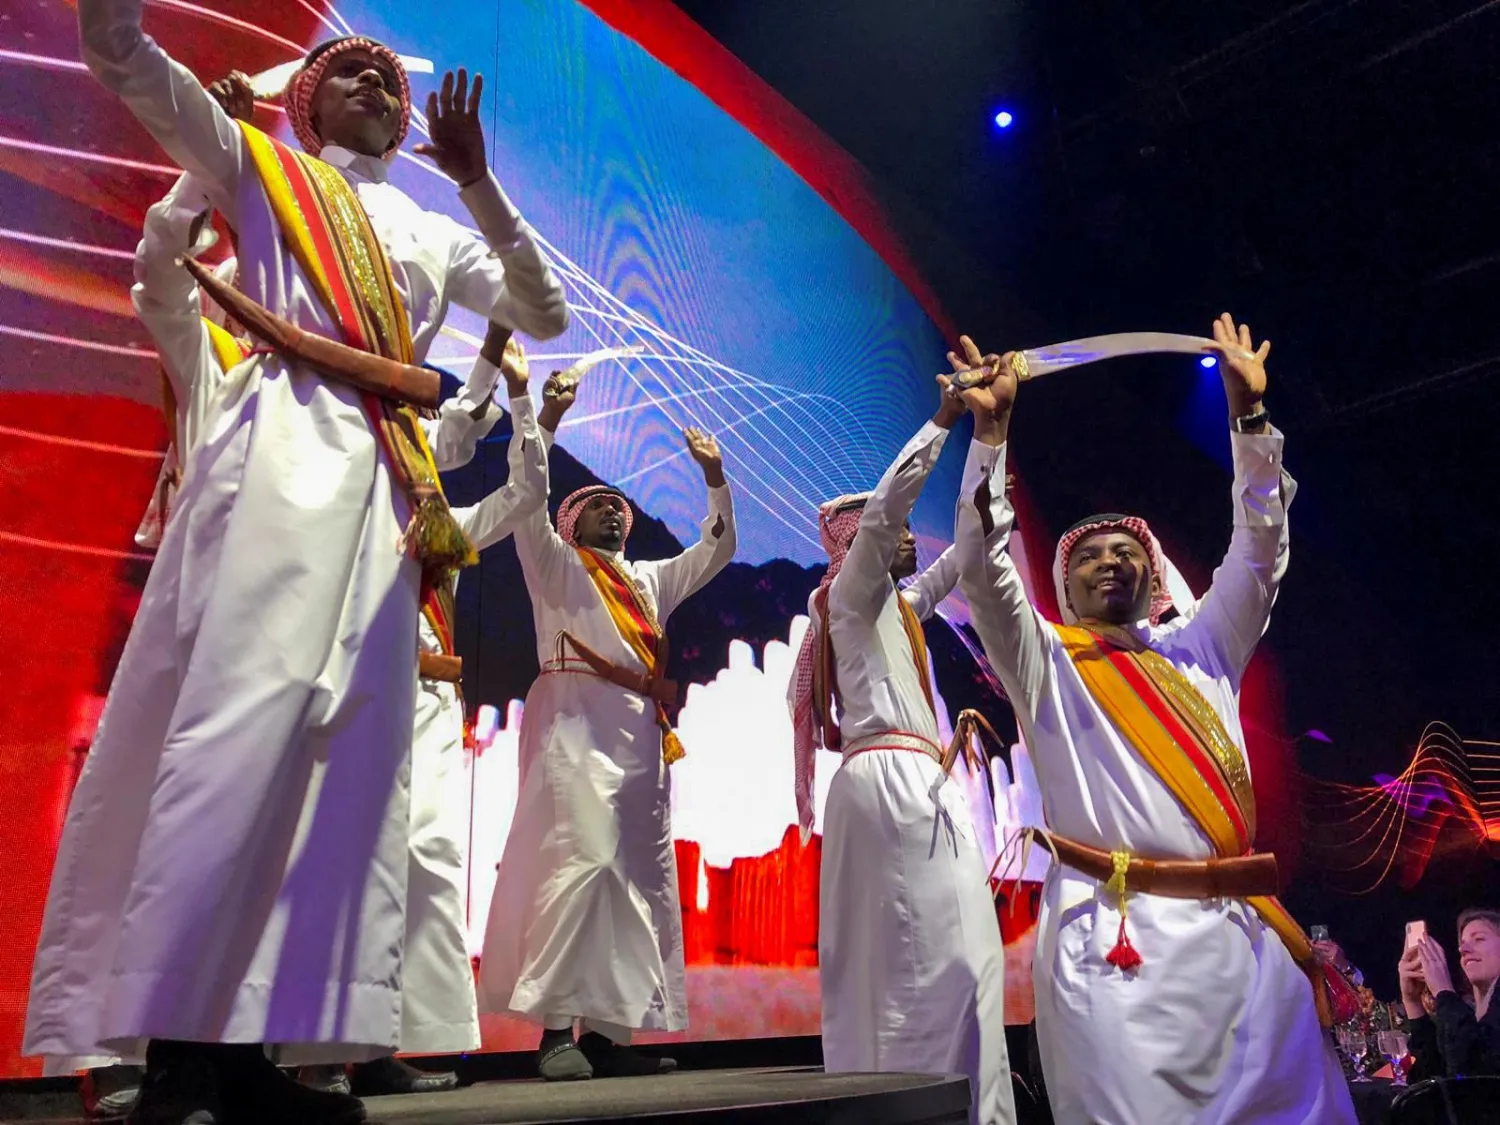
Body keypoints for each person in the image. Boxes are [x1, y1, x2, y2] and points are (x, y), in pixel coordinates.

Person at [27, 5, 568, 1122]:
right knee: (240, 726)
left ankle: (262, 1050)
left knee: (344, 759)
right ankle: (176, 1043)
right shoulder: (264, 169)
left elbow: (542, 311)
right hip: (278, 450)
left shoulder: (436, 229)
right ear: (304, 101)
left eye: (387, 75)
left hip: (380, 480)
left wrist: (477, 184)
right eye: (348, 70)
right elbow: (120, 56)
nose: (372, 77)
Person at [951, 315, 1356, 1124]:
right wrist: (990, 433)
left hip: (1242, 951)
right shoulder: (1046, 662)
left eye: (1123, 549)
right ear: (1065, 587)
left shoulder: (1203, 645)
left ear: (1155, 572)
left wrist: (1248, 422)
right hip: (1114, 944)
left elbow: (1259, 549)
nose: (1110, 559)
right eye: (1089, 553)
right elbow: (984, 571)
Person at [479, 374, 736, 1080]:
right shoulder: (555, 565)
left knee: (632, 877)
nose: (615, 517)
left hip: (637, 739)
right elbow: (526, 503)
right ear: (571, 524)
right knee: (579, 862)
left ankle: (610, 1036)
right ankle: (556, 1030)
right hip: (570, 721)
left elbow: (714, 551)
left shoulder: (650, 580)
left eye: (619, 510)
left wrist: (714, 480)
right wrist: (544, 417)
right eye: (598, 508)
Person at [786, 375, 1015, 1125]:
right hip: (890, 780)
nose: (914, 539)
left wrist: (992, 441)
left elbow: (973, 550)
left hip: (911, 779)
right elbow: (890, 509)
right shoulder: (850, 597)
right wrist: (944, 417)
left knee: (949, 954)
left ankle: (964, 1104)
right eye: (894, 532)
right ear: (856, 545)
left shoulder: (900, 609)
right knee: (913, 959)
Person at [1400, 909, 1500, 1079]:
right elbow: (1431, 1082)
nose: (1463, 949)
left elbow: (1474, 1079)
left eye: (1479, 939)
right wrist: (1412, 1003)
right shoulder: (1467, 1015)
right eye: (1462, 943)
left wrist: (1443, 990)